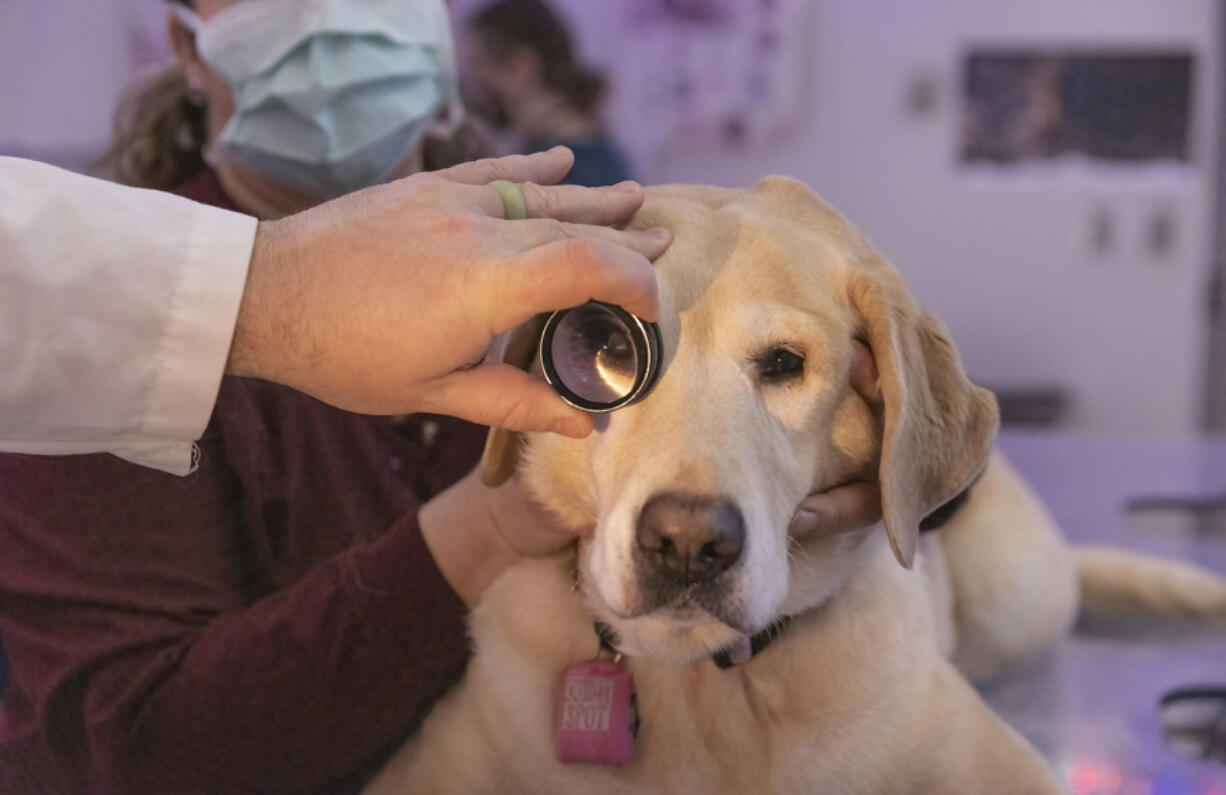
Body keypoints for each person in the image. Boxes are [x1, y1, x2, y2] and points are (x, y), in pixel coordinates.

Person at [0, 3, 881, 793]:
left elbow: (783, 419)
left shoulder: (587, 249)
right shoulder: (96, 331)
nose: (333, 16)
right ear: (186, 46)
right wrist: (487, 526)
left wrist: (905, 470)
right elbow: (139, 751)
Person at [463, 0, 632, 187]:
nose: (476, 80)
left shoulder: (578, 165)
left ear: (522, 65)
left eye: (479, 64)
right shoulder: (578, 148)